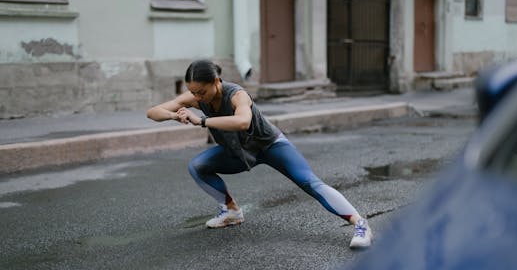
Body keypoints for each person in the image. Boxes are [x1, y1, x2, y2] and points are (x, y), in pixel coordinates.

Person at [147, 59, 373, 248]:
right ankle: (231, 211)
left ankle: (360, 224)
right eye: (193, 92)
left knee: (309, 182)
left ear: (216, 82)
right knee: (197, 166)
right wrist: (175, 115)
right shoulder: (196, 97)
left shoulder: (237, 94)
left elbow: (243, 121)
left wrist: (203, 120)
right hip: (239, 152)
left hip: (270, 146)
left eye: (202, 92)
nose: (198, 97)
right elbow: (153, 112)